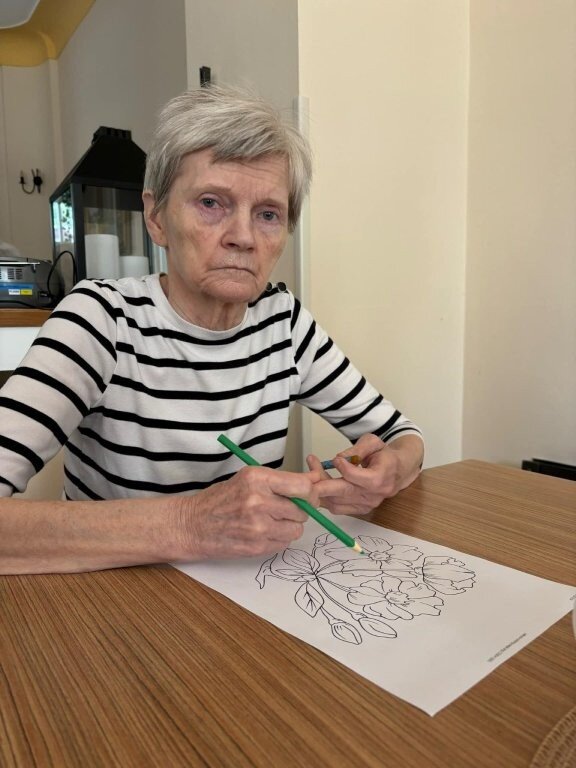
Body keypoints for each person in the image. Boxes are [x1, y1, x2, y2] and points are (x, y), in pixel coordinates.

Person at [0, 84, 424, 575]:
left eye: (268, 214)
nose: (243, 237)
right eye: (210, 203)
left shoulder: (284, 324)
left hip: (244, 596)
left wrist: (390, 471)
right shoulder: (101, 320)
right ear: (156, 218)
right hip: (116, 600)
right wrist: (190, 524)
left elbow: (403, 436)